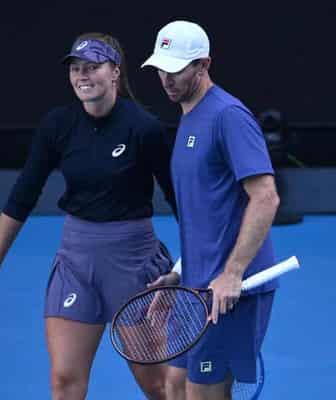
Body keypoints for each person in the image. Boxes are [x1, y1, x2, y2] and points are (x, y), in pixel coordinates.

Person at [0, 32, 178, 400]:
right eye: (76, 69)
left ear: (114, 72)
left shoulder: (144, 128)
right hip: (76, 263)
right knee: (64, 381)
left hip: (132, 263)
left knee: (160, 386)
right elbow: (22, 198)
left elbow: (180, 201)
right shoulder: (57, 125)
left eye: (93, 67)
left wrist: (196, 263)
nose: (83, 76)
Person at [142, 21, 280, 400]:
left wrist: (232, 273)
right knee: (173, 386)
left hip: (230, 290)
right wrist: (179, 271)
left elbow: (266, 196)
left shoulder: (228, 116)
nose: (166, 79)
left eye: (176, 69)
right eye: (160, 69)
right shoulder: (190, 114)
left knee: (204, 395)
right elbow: (210, 212)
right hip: (194, 285)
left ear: (202, 65)